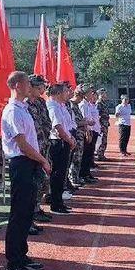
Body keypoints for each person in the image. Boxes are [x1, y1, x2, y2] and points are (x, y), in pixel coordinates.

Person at [1, 72, 50, 270]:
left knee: (27, 212)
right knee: (19, 214)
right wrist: (43, 160)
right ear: (17, 85)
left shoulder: (23, 108)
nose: (30, 86)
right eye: (27, 83)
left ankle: (22, 256)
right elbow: (22, 144)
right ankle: (13, 263)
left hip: (29, 163)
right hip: (21, 163)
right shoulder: (12, 111)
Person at [25, 75, 53, 227]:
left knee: (42, 180)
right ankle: (31, 214)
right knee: (32, 183)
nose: (42, 89)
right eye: (40, 86)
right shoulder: (24, 104)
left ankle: (36, 208)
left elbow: (47, 121)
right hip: (31, 150)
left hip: (43, 145)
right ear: (31, 87)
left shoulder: (41, 102)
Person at [46, 83, 77, 214]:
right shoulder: (53, 107)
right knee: (57, 174)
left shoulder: (61, 106)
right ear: (58, 94)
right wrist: (69, 140)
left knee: (61, 174)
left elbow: (67, 125)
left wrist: (71, 138)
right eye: (65, 91)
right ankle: (55, 204)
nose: (68, 93)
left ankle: (59, 202)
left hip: (65, 141)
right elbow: (58, 127)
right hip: (58, 142)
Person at [79, 86, 100, 183]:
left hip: (91, 131)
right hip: (86, 132)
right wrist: (87, 133)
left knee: (89, 154)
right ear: (85, 94)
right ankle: (84, 175)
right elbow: (84, 120)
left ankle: (87, 173)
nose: (92, 95)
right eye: (90, 93)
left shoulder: (87, 105)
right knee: (86, 155)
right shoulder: (83, 105)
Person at [95, 88, 111, 161]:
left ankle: (101, 154)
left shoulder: (103, 103)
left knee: (104, 140)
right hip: (102, 124)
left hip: (105, 123)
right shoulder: (99, 103)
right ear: (101, 94)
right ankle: (100, 155)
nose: (106, 94)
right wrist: (99, 125)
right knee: (102, 140)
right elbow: (97, 115)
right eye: (104, 93)